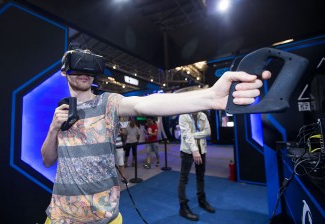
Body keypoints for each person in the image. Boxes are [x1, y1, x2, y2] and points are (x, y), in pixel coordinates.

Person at [41, 48, 271, 224]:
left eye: (90, 67)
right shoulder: (61, 112)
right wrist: (53, 129)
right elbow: (48, 160)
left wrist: (210, 97)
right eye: (79, 66)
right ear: (64, 71)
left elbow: (143, 104)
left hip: (104, 217)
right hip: (60, 216)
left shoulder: (107, 103)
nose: (85, 73)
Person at [178, 111, 214, 221]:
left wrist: (193, 135)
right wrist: (194, 150)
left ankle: (202, 200)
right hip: (188, 151)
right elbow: (186, 135)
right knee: (184, 179)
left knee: (200, 176)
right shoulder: (183, 116)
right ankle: (183, 208)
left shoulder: (202, 115)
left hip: (202, 150)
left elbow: (208, 132)